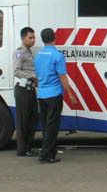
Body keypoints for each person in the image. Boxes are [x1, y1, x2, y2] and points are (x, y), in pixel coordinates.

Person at [34, 28, 77, 164]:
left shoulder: (38, 55)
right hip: (54, 94)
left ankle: (50, 151)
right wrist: (70, 94)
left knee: (46, 125)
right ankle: (46, 154)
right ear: (55, 38)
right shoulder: (57, 55)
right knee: (53, 125)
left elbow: (37, 77)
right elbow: (62, 76)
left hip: (42, 94)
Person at [14, 27, 39, 157]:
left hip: (30, 89)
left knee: (33, 119)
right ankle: (22, 149)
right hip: (22, 89)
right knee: (23, 121)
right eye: (30, 37)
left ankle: (29, 147)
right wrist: (32, 76)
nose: (33, 40)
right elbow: (17, 71)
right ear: (23, 38)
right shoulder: (20, 53)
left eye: (34, 37)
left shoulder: (30, 52)